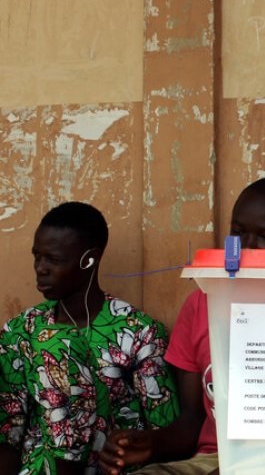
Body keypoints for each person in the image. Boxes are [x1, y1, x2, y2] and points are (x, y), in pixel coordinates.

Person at [98, 177, 265, 475]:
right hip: (213, 460)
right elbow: (192, 420)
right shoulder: (203, 303)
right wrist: (151, 444)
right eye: (238, 232)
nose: (247, 247)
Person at [0, 202, 179, 475]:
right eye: (37, 256)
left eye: (54, 259)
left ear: (89, 259)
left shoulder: (139, 332)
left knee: (57, 346)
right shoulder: (21, 331)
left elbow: (164, 430)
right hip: (40, 469)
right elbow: (7, 434)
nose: (41, 268)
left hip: (113, 467)